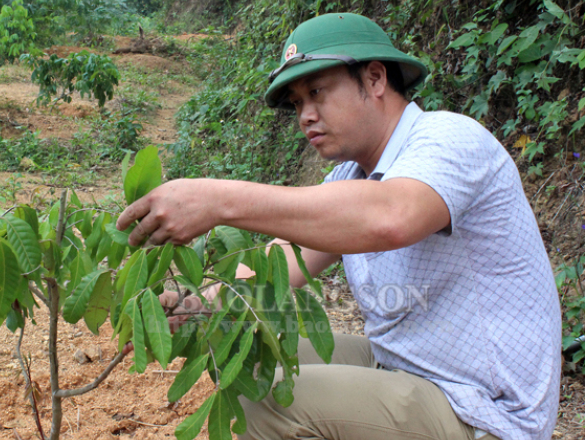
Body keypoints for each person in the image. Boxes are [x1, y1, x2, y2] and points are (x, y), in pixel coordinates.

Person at [116, 13, 561, 440]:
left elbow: (391, 217)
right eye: (297, 103)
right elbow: (284, 258)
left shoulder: (450, 139)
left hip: (480, 407)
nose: (305, 114)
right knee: (245, 351)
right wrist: (200, 303)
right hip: (406, 365)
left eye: (317, 93)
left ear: (374, 79)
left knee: (264, 404)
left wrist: (219, 201)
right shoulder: (352, 174)